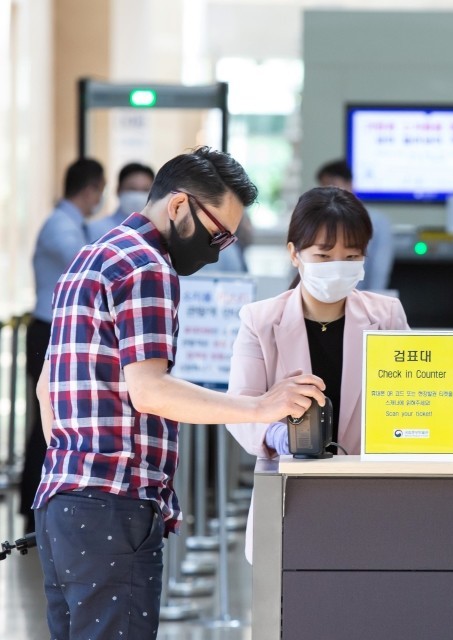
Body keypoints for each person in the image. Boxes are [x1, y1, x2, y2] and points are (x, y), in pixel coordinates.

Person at [32, 146, 327, 640]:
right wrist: (261, 406)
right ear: (177, 206)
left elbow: (47, 388)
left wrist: (75, 477)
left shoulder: (91, 256)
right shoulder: (148, 266)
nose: (218, 249)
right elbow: (149, 391)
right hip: (114, 504)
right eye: (217, 233)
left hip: (61, 501)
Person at [226, 186, 409, 562]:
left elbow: (408, 402)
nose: (337, 267)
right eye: (324, 256)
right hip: (290, 495)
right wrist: (278, 435)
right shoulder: (261, 321)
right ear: (294, 253)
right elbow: (240, 408)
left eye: (352, 256)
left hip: (371, 492)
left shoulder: (387, 316)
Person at [20, 157, 106, 533]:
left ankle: (44, 502)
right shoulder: (61, 227)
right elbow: (90, 269)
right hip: (47, 330)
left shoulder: (73, 224)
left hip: (57, 332)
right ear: (90, 189)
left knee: (54, 420)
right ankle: (34, 503)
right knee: (45, 422)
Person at [316, 159, 395, 291]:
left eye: (333, 184)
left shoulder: (376, 221)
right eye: (324, 186)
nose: (328, 191)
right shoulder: (316, 220)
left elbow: (380, 268)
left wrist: (373, 302)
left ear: (349, 184)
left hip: (360, 297)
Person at [86, 161, 155, 241]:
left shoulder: (156, 232)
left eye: (145, 190)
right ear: (118, 190)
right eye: (132, 189)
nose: (138, 196)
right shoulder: (96, 229)